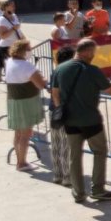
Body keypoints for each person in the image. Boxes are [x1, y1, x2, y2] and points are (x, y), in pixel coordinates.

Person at [52, 39, 111, 203]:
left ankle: (78, 192)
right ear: (86, 52)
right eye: (93, 53)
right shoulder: (92, 70)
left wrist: (60, 111)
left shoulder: (60, 69)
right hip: (90, 120)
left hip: (69, 120)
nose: (94, 56)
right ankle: (98, 189)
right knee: (99, 152)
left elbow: (55, 93)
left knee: (75, 156)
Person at [4, 40, 47, 172]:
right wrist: (44, 79)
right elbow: (41, 84)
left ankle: (20, 160)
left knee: (18, 133)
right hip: (26, 102)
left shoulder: (9, 61)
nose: (30, 51)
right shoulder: (27, 67)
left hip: (14, 100)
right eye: (29, 49)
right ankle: (21, 163)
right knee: (26, 134)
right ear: (23, 51)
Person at [49, 46, 76, 186]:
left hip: (54, 110)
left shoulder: (55, 71)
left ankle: (57, 174)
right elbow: (56, 93)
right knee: (66, 145)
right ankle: (66, 176)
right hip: (64, 111)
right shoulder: (68, 72)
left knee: (56, 143)